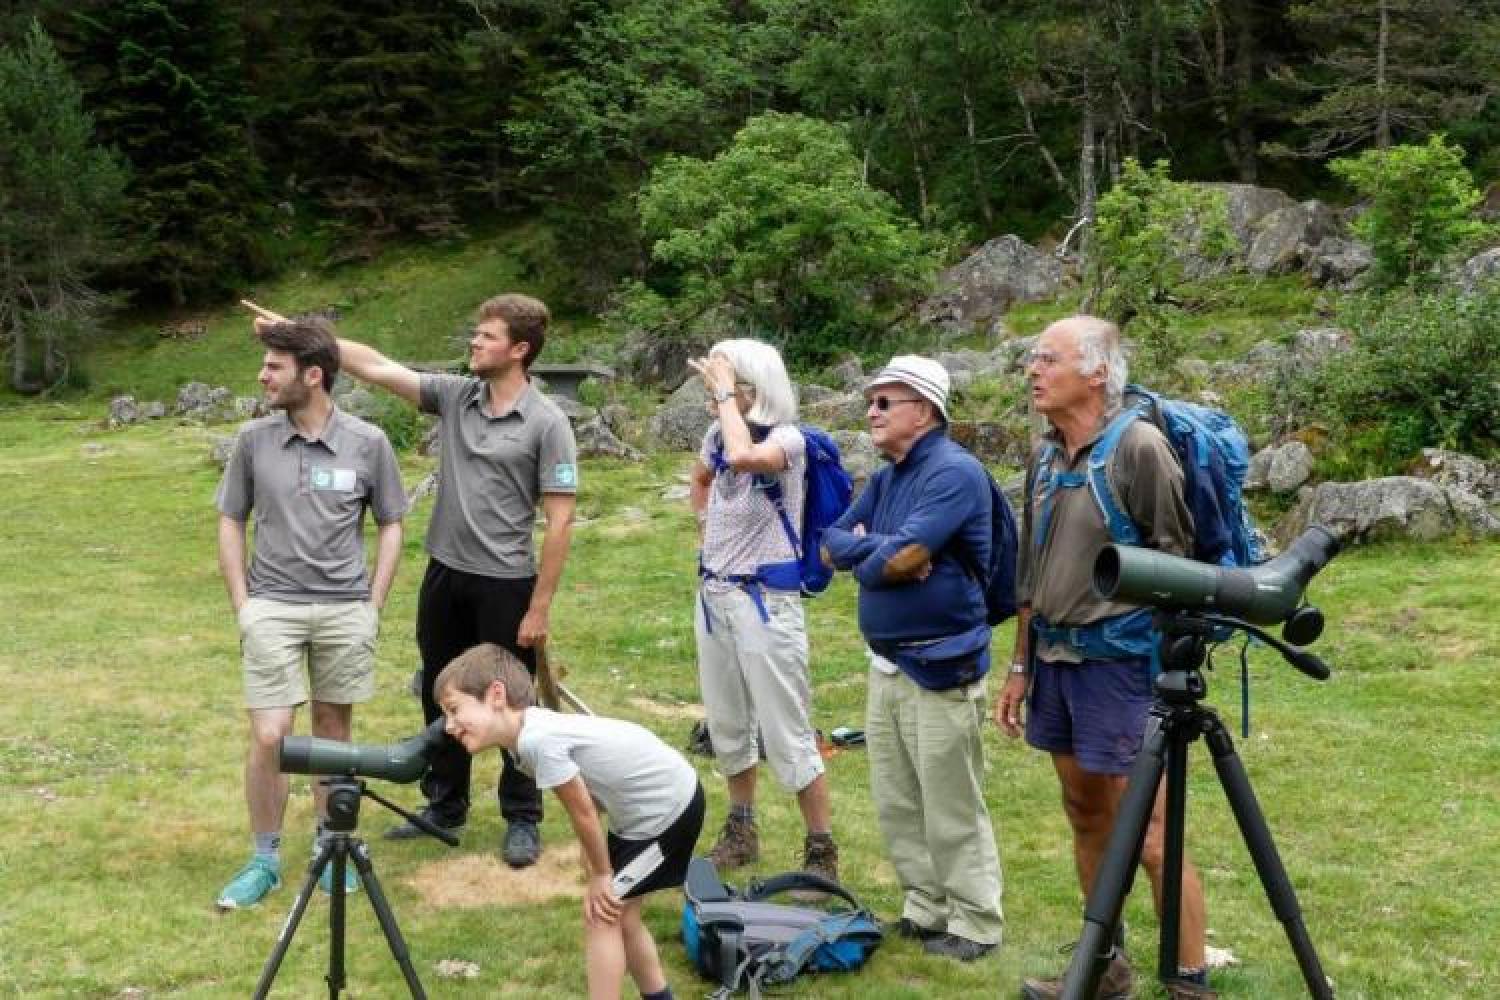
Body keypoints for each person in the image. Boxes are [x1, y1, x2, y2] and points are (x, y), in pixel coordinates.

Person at [258, 293, 577, 868]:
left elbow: (559, 520)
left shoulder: (548, 422)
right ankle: (446, 804)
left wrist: (540, 607)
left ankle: (523, 815)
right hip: (445, 575)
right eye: (475, 334)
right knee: (443, 692)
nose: (474, 344)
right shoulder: (458, 398)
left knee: (515, 702)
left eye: (486, 337)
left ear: (520, 350)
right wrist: (301, 333)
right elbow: (378, 366)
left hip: (507, 583)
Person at [993, 315, 1216, 1000]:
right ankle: (1102, 968)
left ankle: (1189, 982)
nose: (1033, 369)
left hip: (1122, 667)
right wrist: (1021, 663)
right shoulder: (1044, 455)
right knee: (1084, 811)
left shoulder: (1139, 448)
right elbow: (1032, 572)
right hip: (1057, 663)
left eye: (1048, 359)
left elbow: (1175, 565)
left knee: (1150, 831)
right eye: (1033, 359)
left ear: (1096, 372)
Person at [215, 317, 407, 909]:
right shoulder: (254, 441)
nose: (262, 375)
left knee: (332, 732)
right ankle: (265, 858)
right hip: (272, 607)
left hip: (345, 610)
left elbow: (392, 523)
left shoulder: (369, 443)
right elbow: (230, 518)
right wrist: (244, 605)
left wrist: (373, 602)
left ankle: (330, 848)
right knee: (272, 734)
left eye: (275, 366)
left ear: (314, 375)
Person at [821, 355, 1004, 962]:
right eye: (870, 402)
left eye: (884, 403)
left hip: (941, 664)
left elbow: (901, 561)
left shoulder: (954, 472)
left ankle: (976, 923)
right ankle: (925, 909)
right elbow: (830, 544)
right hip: (888, 663)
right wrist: (880, 548)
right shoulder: (888, 475)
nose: (870, 412)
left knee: (951, 801)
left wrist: (876, 556)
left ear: (923, 411)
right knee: (898, 799)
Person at [435, 643, 704, 1000]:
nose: (450, 726)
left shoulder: (536, 740)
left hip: (668, 811)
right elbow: (590, 793)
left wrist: (602, 874)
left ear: (496, 695)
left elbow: (583, 810)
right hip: (642, 813)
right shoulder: (522, 741)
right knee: (621, 914)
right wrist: (593, 860)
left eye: (455, 711)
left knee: (602, 914)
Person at [686, 339, 838, 881]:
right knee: (728, 723)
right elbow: (704, 475)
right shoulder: (715, 432)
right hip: (716, 597)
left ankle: (821, 850)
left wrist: (727, 395)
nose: (714, 395)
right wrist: (706, 532)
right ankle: (742, 828)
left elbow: (748, 459)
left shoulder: (788, 440)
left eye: (727, 384)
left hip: (766, 602)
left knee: (786, 731)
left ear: (755, 389)